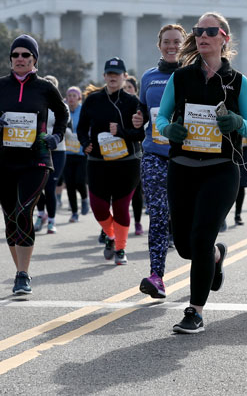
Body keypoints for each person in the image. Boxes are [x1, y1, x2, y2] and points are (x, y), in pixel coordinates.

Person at [156, 12, 247, 333]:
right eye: (198, 31)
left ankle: (194, 311)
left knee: (199, 238)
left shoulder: (237, 81)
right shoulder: (180, 78)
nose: (202, 36)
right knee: (185, 245)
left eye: (210, 31)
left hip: (221, 170)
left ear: (224, 38)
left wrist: (238, 123)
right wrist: (169, 129)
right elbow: (160, 119)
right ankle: (215, 255)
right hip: (182, 167)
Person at [0, 34, 69, 295]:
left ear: (34, 60)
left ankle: (23, 274)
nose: (20, 59)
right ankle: (19, 268)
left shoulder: (44, 88)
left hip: (36, 160)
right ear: (10, 59)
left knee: (23, 212)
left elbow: (62, 113)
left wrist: (56, 136)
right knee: (10, 218)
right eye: (15, 55)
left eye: (25, 55)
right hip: (5, 162)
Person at [131, 24, 184, 299]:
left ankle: (212, 256)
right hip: (154, 154)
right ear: (159, 45)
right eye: (167, 41)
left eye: (177, 41)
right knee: (159, 215)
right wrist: (138, 119)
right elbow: (142, 112)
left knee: (188, 222)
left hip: (187, 156)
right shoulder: (149, 77)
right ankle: (157, 275)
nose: (171, 45)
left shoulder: (193, 75)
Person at [77, 57, 144, 266]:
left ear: (124, 77)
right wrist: (85, 142)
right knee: (99, 208)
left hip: (127, 162)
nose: (113, 78)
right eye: (109, 74)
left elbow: (140, 134)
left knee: (122, 207)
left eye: (117, 74)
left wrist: (122, 132)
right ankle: (111, 235)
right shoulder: (93, 100)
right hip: (98, 161)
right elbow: (81, 127)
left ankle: (121, 249)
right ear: (104, 76)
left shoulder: (133, 102)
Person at [33, 75, 68, 234]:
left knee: (51, 186)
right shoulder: (35, 104)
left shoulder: (62, 107)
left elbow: (62, 124)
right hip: (38, 150)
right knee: (38, 186)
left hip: (57, 151)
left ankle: (52, 221)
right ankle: (41, 215)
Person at [62, 86, 89, 223]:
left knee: (79, 180)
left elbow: (88, 127)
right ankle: (74, 212)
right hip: (67, 152)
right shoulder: (64, 111)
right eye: (69, 95)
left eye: (74, 95)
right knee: (70, 184)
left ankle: (84, 198)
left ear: (79, 98)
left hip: (81, 152)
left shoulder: (83, 110)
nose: (71, 98)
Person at [123, 75, 145, 236]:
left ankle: (137, 222)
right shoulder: (117, 105)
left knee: (136, 191)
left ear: (135, 90)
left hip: (137, 152)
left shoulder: (139, 107)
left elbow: (142, 132)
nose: (127, 91)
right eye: (124, 88)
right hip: (117, 153)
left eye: (129, 88)